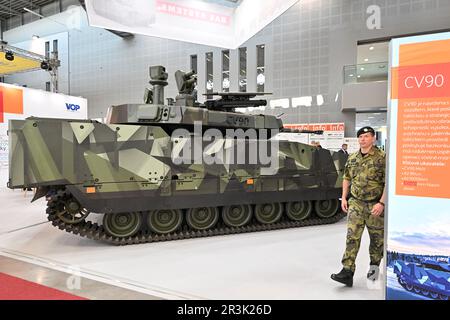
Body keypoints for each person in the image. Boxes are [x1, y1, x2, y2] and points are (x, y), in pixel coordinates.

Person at [331, 126, 386, 287]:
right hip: (356, 203)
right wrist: (344, 197)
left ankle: (374, 268)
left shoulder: (382, 158)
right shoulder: (353, 157)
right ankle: (347, 272)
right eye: (361, 136)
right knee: (351, 237)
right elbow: (347, 177)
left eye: (366, 136)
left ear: (373, 138)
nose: (363, 139)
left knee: (377, 240)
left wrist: (381, 203)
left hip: (374, 205)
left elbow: (387, 182)